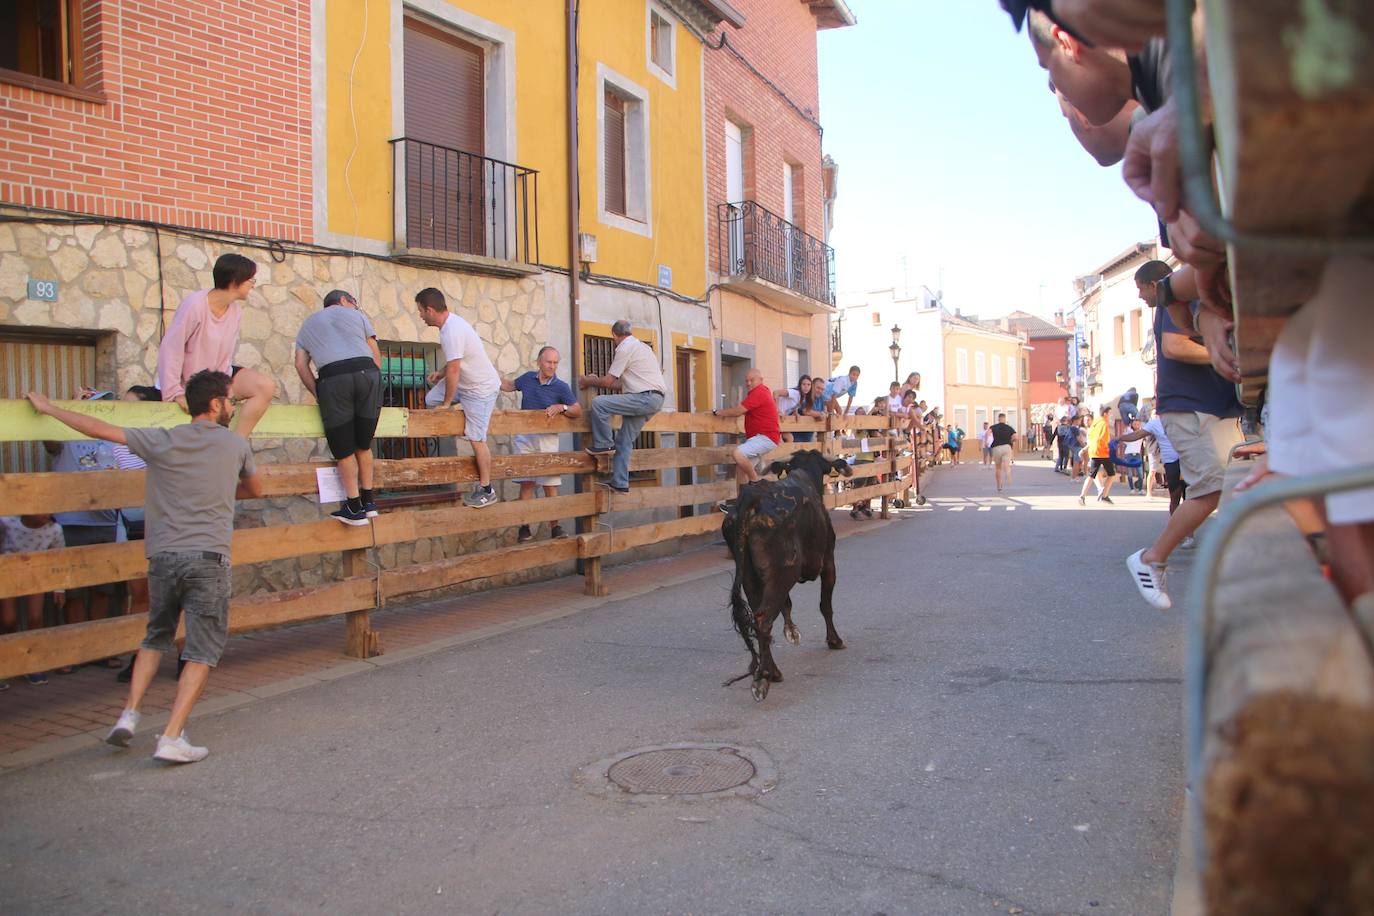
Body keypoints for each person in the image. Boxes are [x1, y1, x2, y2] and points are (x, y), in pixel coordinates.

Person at [27, 370, 263, 764]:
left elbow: (101, 430)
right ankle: (171, 735)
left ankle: (129, 714)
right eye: (230, 401)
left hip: (162, 556)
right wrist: (218, 487)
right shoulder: (234, 445)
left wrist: (50, 408)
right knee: (202, 651)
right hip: (207, 558)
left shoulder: (163, 439)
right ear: (216, 403)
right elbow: (256, 490)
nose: (232, 407)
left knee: (155, 637)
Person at [1126, 265, 1244, 610]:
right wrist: (1231, 358)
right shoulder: (1177, 295)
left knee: (1226, 487)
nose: (1139, 296)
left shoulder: (1198, 291)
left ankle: (1233, 566)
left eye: (1140, 289)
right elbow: (1175, 346)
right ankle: (1151, 558)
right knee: (1211, 488)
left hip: (1212, 407)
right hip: (1192, 407)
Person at [157, 252, 277, 438]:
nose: (253, 285)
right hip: (192, 382)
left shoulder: (235, 311)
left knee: (264, 386)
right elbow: (171, 348)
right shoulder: (194, 305)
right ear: (235, 280)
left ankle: (236, 444)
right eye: (250, 280)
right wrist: (175, 392)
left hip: (218, 378)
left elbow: (225, 355)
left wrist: (224, 390)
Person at [295, 289, 384, 525]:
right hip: (368, 374)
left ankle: (354, 508)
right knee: (363, 445)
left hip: (333, 379)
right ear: (344, 301)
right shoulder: (357, 316)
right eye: (354, 303)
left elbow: (300, 364)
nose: (355, 307)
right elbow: (376, 356)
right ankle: (369, 502)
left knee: (344, 450)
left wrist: (318, 392)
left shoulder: (308, 323)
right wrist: (373, 382)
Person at [417, 288, 503, 508]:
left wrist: (448, 403)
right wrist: (441, 373)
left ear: (429, 310)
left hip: (479, 389)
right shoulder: (448, 327)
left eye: (420, 311)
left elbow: (455, 369)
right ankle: (459, 409)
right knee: (430, 400)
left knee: (476, 438)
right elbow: (455, 362)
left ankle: (486, 489)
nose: (420, 316)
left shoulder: (452, 330)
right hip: (465, 382)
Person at [501, 346, 582, 542]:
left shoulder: (561, 387)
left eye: (555, 363)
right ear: (539, 361)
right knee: (527, 483)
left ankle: (556, 527)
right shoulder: (528, 378)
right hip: (525, 436)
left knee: (550, 484)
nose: (552, 366)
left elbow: (577, 410)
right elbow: (510, 385)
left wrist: (561, 407)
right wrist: (486, 376)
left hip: (547, 437)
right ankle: (525, 527)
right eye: (549, 362)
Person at [577, 320, 666, 495]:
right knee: (624, 441)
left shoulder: (624, 348)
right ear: (630, 332)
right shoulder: (643, 348)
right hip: (654, 399)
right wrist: (595, 381)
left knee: (599, 403)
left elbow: (607, 381)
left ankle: (604, 444)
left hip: (644, 397)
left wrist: (588, 380)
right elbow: (620, 386)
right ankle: (620, 482)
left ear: (614, 335)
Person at [0, 514, 65, 687]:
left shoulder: (54, 529)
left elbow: (60, 557)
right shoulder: (7, 522)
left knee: (35, 618)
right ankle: (10, 659)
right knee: (8, 620)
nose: (47, 514)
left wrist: (59, 588)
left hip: (37, 575)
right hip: (8, 574)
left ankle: (33, 663)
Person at [712, 368, 781, 499]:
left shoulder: (759, 392)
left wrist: (717, 412)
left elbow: (738, 411)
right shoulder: (759, 392)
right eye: (746, 381)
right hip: (762, 438)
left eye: (752, 380)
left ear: (760, 380)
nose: (748, 383)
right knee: (741, 469)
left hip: (766, 437)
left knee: (737, 453)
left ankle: (756, 481)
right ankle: (741, 504)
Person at [1079, 404, 1117, 505]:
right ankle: (1104, 495)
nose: (1109, 415)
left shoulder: (1095, 422)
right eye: (1109, 413)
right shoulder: (1104, 423)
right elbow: (1103, 438)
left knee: (1091, 475)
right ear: (1105, 414)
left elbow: (1091, 437)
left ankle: (1082, 496)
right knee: (1111, 474)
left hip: (1094, 451)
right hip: (1102, 451)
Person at [989, 412, 1017, 492]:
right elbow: (1015, 437)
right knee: (1006, 463)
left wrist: (987, 442)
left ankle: (999, 486)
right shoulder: (1009, 427)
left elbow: (988, 433)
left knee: (998, 468)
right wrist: (1011, 440)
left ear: (998, 419)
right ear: (1004, 419)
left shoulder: (994, 427)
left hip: (996, 448)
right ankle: (1007, 470)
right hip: (1006, 447)